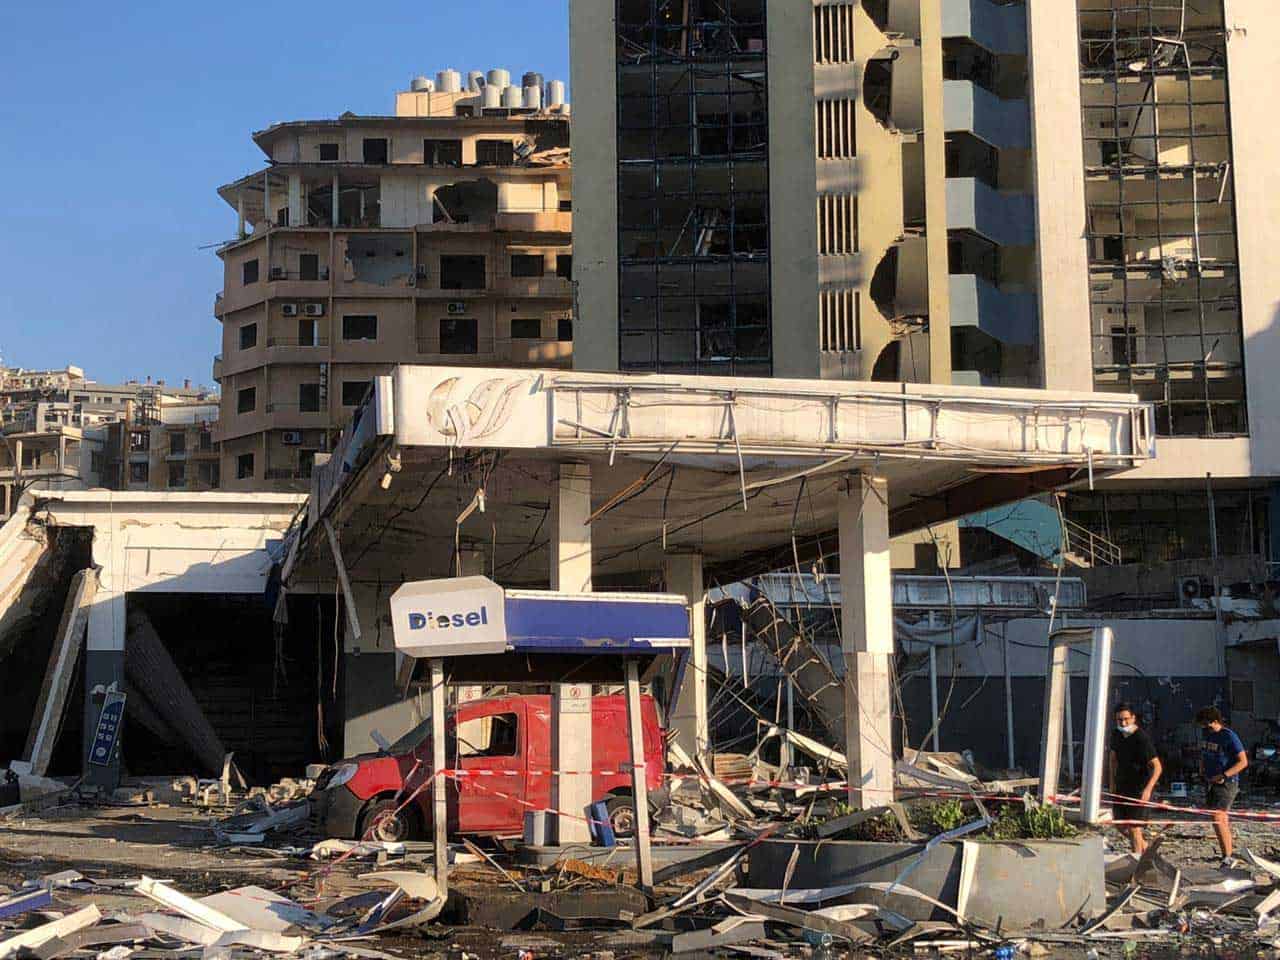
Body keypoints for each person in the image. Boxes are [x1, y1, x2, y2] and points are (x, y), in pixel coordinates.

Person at [1197, 706, 1249, 868]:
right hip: (1211, 781)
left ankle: (1227, 856)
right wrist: (1202, 768)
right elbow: (1204, 753)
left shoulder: (1229, 736)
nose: (1205, 729)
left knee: (1218, 817)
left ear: (1215, 721)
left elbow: (1243, 762)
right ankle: (1226, 854)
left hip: (1226, 783)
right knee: (1219, 819)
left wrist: (1224, 775)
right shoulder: (1206, 735)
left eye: (1207, 725)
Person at [1108, 703, 1162, 853]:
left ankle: (1137, 860)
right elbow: (1112, 759)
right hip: (1121, 785)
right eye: (1119, 720)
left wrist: (1148, 790)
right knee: (1120, 825)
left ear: (1133, 718)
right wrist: (1111, 782)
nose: (1123, 723)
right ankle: (1146, 849)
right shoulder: (1116, 735)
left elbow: (1157, 767)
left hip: (1139, 788)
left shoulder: (1141, 738)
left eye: (1126, 719)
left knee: (1134, 828)